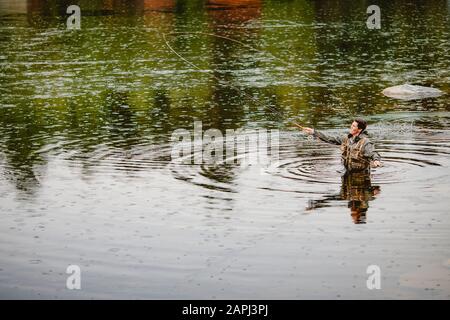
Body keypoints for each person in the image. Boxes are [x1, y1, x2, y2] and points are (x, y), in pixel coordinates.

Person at [297, 118, 382, 172]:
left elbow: (373, 153)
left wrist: (376, 160)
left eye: (353, 126)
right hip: (346, 173)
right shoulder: (346, 138)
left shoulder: (365, 142)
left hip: (361, 176)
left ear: (359, 129)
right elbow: (330, 139)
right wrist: (313, 132)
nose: (351, 127)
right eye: (351, 125)